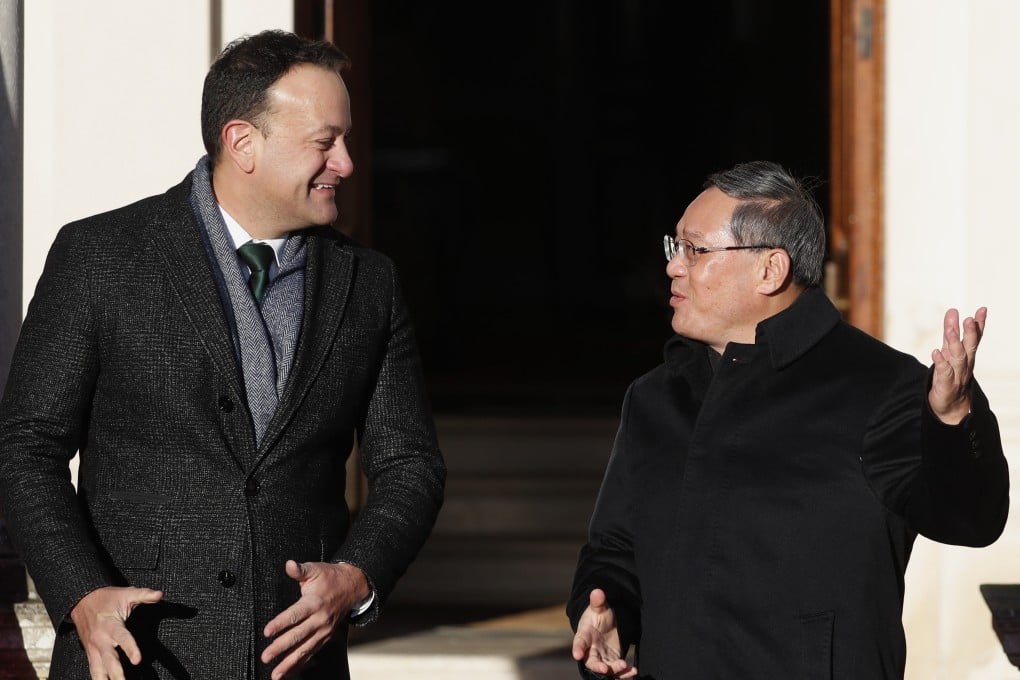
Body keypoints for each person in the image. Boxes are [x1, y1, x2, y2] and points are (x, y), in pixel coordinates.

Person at [0, 30, 445, 680]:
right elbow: (28, 447)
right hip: (136, 661)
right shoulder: (101, 257)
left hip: (298, 666)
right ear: (243, 143)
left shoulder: (369, 284)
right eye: (325, 142)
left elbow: (411, 466)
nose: (347, 163)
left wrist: (357, 575)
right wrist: (82, 596)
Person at [567, 161, 1009, 679]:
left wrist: (954, 420)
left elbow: (971, 521)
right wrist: (607, 615)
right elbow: (615, 548)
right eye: (675, 246)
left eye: (696, 250)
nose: (673, 266)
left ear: (770, 270)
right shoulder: (657, 396)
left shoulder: (878, 386)